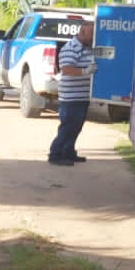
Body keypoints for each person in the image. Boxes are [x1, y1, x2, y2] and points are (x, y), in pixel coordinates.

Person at [47, 21, 95, 166]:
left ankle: (68, 151)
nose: (93, 37)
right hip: (71, 97)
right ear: (83, 32)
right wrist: (85, 71)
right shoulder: (71, 48)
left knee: (77, 126)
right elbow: (67, 69)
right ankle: (55, 153)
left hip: (82, 96)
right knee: (68, 126)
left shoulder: (87, 48)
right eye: (91, 34)